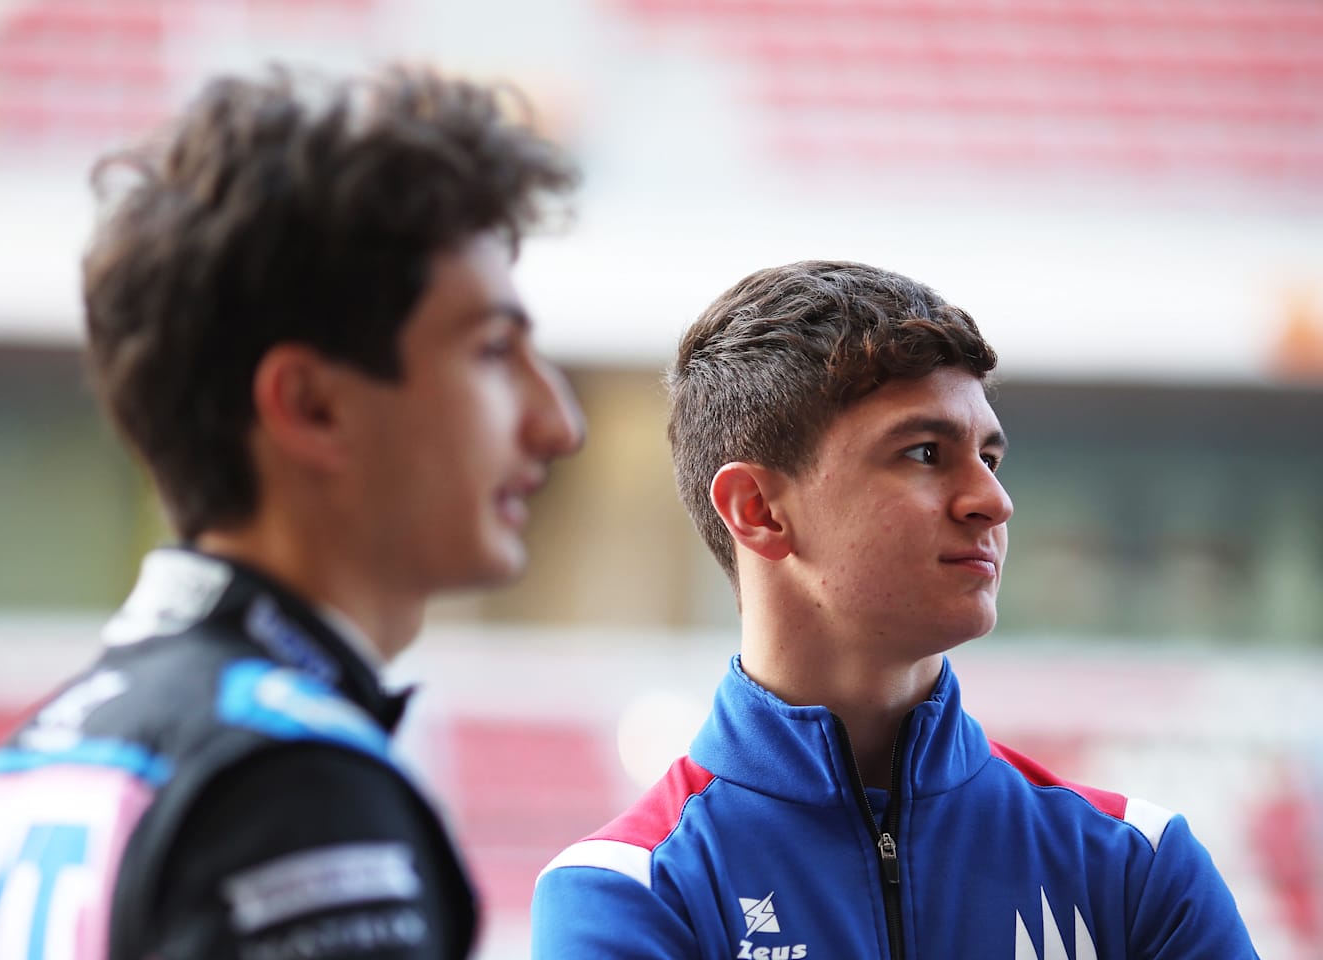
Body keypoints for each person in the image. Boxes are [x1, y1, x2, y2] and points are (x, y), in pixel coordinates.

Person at [0, 64, 583, 960]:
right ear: (310, 407)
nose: (557, 423)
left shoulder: (16, 773)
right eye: (494, 351)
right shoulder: (292, 784)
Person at [531, 260, 1258, 958]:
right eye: (923, 453)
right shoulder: (628, 891)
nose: (993, 501)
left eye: (990, 458)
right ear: (759, 511)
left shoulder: (1135, 865)